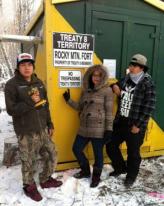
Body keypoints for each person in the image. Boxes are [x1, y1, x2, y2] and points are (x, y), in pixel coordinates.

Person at [5, 53, 62, 202]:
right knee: (29, 160)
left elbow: (45, 105)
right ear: (18, 67)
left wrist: (50, 123)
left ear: (33, 67)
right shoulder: (12, 85)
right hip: (26, 131)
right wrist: (30, 101)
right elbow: (11, 109)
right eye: (23, 65)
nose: (27, 68)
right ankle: (28, 186)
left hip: (42, 128)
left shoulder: (39, 83)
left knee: (52, 154)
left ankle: (45, 179)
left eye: (29, 64)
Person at [106, 54, 156, 187]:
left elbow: (149, 107)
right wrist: (114, 87)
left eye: (134, 66)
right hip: (120, 121)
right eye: (131, 65)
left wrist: (138, 125)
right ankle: (120, 168)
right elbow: (116, 85)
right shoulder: (127, 78)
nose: (131, 67)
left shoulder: (147, 83)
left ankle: (131, 177)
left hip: (135, 125)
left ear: (141, 68)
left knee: (133, 153)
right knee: (110, 146)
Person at [63, 64, 113, 187]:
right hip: (84, 128)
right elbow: (80, 107)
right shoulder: (85, 90)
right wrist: (68, 100)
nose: (96, 78)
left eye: (99, 75)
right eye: (94, 75)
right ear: (90, 76)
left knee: (98, 154)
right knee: (76, 148)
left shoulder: (107, 90)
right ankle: (85, 171)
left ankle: (96, 176)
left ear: (103, 77)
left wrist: (109, 129)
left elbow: (109, 111)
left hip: (99, 129)